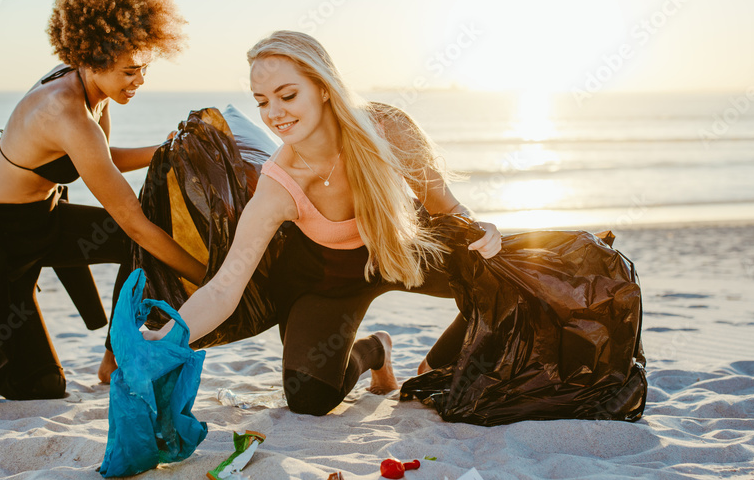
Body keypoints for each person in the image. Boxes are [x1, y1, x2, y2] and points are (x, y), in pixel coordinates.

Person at [141, 30, 501, 416]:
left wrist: (483, 229)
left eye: (288, 95)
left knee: (502, 275)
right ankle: (376, 349)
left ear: (324, 88)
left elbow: (448, 211)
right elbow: (223, 290)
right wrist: (167, 339)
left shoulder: (387, 130)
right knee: (309, 399)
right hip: (326, 281)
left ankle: (433, 365)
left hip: (401, 251)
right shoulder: (278, 184)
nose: (274, 112)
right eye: (262, 102)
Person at [0, 0, 205, 406]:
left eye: (143, 70)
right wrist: (208, 277)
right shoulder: (64, 112)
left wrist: (166, 150)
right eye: (129, 72)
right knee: (41, 387)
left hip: (42, 219)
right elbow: (134, 221)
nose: (139, 82)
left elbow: (99, 157)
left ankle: (114, 358)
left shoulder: (92, 92)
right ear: (92, 59)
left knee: (132, 248)